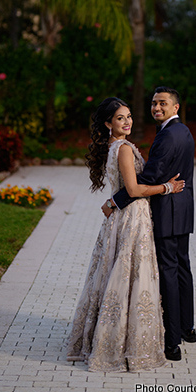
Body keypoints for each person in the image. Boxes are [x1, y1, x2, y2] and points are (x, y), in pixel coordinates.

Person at [66, 97, 185, 372]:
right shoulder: (123, 149)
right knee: (130, 277)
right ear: (109, 123)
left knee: (117, 276)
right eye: (120, 118)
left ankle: (110, 336)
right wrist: (167, 187)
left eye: (129, 116)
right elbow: (133, 190)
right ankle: (120, 344)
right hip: (132, 218)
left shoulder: (115, 146)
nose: (127, 121)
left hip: (122, 217)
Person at [104, 87, 196, 362]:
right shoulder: (185, 132)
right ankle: (187, 328)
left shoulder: (167, 136)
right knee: (182, 268)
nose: (157, 108)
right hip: (183, 210)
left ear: (175, 107)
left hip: (167, 210)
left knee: (169, 271)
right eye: (154, 103)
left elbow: (149, 177)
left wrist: (114, 202)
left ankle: (172, 343)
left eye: (163, 103)